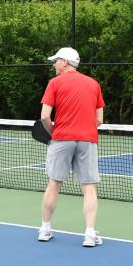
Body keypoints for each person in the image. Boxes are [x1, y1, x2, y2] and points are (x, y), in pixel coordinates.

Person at [36, 47, 105, 248]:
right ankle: (90, 234)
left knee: (54, 183)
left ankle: (45, 229)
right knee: (89, 187)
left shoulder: (54, 83)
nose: (53, 64)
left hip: (62, 138)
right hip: (88, 139)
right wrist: (84, 129)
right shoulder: (94, 84)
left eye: (56, 60)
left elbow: (44, 117)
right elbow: (99, 119)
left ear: (65, 62)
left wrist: (53, 133)